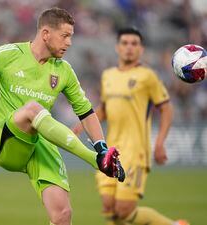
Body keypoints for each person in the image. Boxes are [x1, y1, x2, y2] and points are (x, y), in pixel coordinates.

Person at [0, 7, 125, 225]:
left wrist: (102, 145)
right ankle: (96, 161)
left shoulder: (64, 70)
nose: (69, 43)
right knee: (33, 109)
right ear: (45, 34)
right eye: (65, 36)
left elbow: (86, 111)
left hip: (39, 143)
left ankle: (101, 155)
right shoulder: (7, 54)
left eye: (71, 37)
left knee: (63, 215)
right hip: (2, 140)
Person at [73, 27, 189, 225]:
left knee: (124, 210)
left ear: (141, 49)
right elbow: (104, 109)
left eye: (134, 44)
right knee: (109, 207)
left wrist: (160, 142)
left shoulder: (147, 76)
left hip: (135, 151)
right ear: (117, 48)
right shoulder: (108, 76)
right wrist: (78, 128)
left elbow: (166, 108)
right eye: (125, 43)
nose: (129, 48)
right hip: (110, 150)